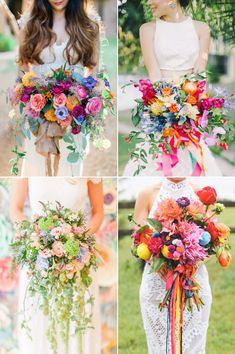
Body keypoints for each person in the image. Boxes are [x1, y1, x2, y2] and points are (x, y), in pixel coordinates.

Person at [124, 0, 221, 176]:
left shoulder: (202, 29)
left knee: (194, 157)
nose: (148, 2)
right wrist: (166, 107)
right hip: (160, 107)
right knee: (158, 157)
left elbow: (200, 73)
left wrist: (193, 107)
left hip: (190, 106)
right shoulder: (148, 29)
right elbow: (154, 73)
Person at [10, 177, 104, 354]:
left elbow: (98, 212)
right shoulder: (28, 161)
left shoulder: (88, 163)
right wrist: (35, 239)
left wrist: (76, 239)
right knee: (40, 320)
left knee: (78, 321)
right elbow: (15, 209)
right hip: (38, 260)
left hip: (77, 259)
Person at [17, 0, 100, 176]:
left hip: (74, 115)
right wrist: (34, 99)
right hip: (39, 114)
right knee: (38, 168)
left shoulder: (89, 24)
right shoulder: (29, 23)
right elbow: (23, 70)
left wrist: (82, 101)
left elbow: (93, 71)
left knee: (70, 171)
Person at [134, 177, 212, 354]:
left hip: (193, 282)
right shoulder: (146, 193)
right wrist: (158, 263)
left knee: (193, 347)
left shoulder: (201, 192)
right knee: (160, 346)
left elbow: (212, 243)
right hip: (157, 283)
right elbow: (137, 241)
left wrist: (191, 264)